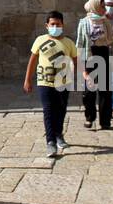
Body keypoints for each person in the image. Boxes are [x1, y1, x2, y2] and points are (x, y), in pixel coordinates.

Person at [23, 11, 79, 157]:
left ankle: (58, 134)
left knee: (61, 109)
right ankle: (50, 142)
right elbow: (33, 60)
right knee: (48, 110)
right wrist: (27, 79)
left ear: (63, 25)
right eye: (52, 24)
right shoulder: (40, 40)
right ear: (46, 26)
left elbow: (75, 61)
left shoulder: (68, 43)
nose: (55, 27)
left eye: (58, 24)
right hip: (44, 82)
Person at [74, 0, 113, 130]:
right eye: (102, 6)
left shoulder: (106, 22)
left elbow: (112, 40)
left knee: (105, 91)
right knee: (89, 91)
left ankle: (105, 121)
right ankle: (89, 117)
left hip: (104, 54)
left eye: (104, 6)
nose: (104, 9)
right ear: (95, 6)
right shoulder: (84, 22)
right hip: (89, 56)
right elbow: (80, 43)